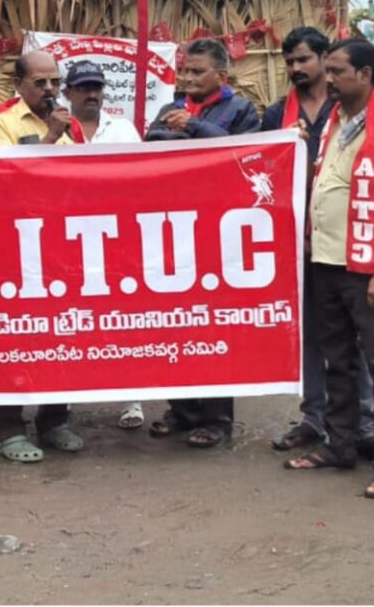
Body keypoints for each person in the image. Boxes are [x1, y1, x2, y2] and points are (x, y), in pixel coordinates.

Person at [284, 38, 374, 499]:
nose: (330, 78)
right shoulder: (336, 123)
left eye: (338, 71)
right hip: (326, 261)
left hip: (366, 267)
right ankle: (339, 445)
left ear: (365, 75)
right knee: (335, 359)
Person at [264, 27, 374, 455]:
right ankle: (314, 417)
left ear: (325, 59)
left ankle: (363, 420)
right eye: (289, 62)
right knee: (309, 333)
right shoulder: (277, 114)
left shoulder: (346, 108)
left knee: (356, 336)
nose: (296, 68)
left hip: (346, 239)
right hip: (298, 242)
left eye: (304, 60)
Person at [144, 38, 261, 448]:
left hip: (219, 232)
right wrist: (182, 136)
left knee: (213, 325)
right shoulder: (167, 109)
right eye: (185, 71)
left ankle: (216, 419)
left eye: (197, 71)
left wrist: (191, 129)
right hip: (172, 229)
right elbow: (150, 146)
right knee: (174, 325)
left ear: (221, 77)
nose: (188, 78)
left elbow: (244, 154)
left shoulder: (241, 110)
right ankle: (181, 410)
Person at [0, 50, 83, 463]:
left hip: (60, 247)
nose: (51, 89)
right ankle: (6, 427)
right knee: (15, 337)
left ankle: (54, 420)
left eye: (55, 81)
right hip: (11, 249)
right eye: (41, 82)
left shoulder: (72, 126)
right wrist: (50, 139)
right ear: (18, 84)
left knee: (62, 333)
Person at [60, 60, 145, 429]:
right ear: (68, 93)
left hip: (118, 237)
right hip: (65, 238)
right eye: (83, 88)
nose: (92, 94)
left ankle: (133, 399)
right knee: (69, 315)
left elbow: (144, 176)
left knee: (125, 315)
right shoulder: (57, 131)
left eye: (97, 87)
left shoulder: (123, 129)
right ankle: (62, 399)